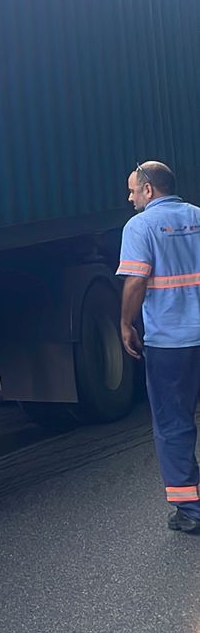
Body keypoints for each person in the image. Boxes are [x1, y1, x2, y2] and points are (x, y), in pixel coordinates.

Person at [118, 161, 200, 533]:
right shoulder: (198, 217)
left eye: (133, 189)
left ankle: (190, 510)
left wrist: (125, 324)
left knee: (173, 425)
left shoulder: (140, 226)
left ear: (149, 190)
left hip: (171, 343)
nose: (130, 196)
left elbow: (136, 282)